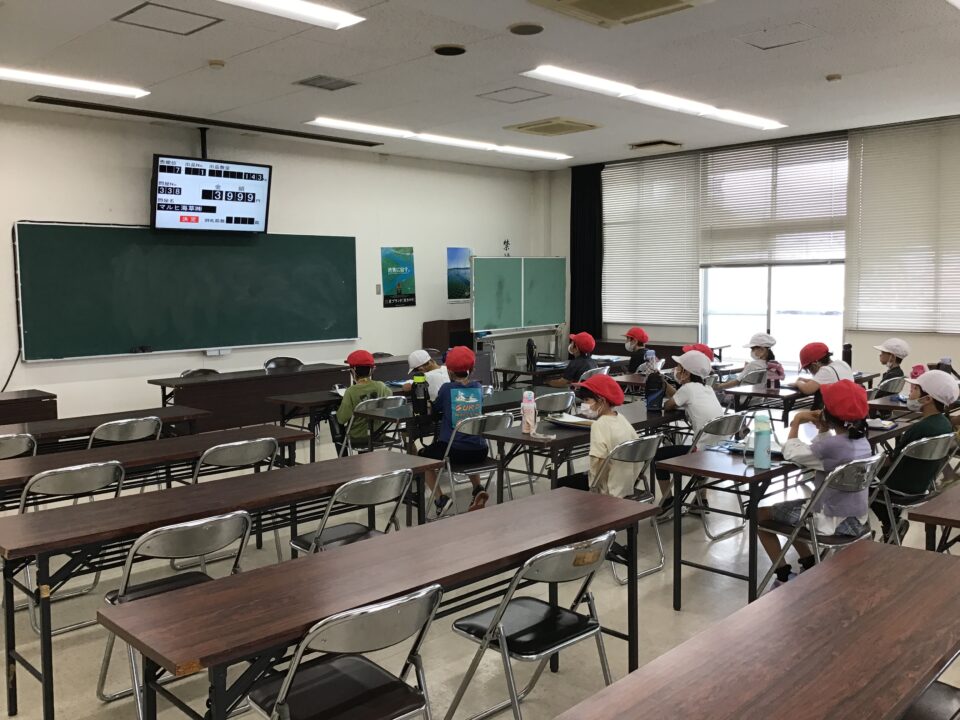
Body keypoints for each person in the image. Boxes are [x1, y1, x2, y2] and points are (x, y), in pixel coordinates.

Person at [758, 380, 872, 587]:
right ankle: (808, 562)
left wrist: (797, 421)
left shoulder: (832, 447)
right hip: (856, 518)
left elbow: (791, 452)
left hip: (830, 520)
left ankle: (782, 575)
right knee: (793, 509)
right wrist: (823, 429)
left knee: (760, 515)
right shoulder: (862, 441)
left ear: (828, 413)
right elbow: (823, 452)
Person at [871, 369, 958, 542]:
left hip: (898, 486)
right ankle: (893, 523)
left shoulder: (920, 428)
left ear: (927, 399)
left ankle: (887, 525)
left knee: (862, 485)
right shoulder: (945, 425)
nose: (910, 393)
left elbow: (892, 460)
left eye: (915, 389)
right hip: (923, 484)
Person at [575, 373, 640, 562]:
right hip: (626, 484)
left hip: (608, 490)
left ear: (601, 401)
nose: (584, 405)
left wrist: (593, 488)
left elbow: (597, 464)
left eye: (587, 400)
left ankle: (584, 543)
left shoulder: (599, 425)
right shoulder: (622, 419)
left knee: (563, 485)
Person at [653, 350, 725, 517]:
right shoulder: (707, 389)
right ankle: (700, 501)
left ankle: (668, 501)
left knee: (657, 456)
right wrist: (665, 383)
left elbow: (669, 405)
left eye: (679, 367)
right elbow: (680, 396)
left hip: (701, 455)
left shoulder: (687, 389)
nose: (676, 370)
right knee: (703, 445)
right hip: (719, 450)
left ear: (686, 372)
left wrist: (664, 389)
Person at [418, 346, 489, 516]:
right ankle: (477, 488)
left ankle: (441, 498)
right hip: (480, 450)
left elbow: (435, 409)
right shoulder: (478, 387)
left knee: (421, 458)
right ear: (472, 368)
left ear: (449, 371)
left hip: (455, 452)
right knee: (469, 439)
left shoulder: (447, 389)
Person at [335, 350, 393, 450]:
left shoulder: (351, 391)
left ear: (353, 371)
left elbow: (341, 419)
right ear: (372, 370)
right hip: (378, 435)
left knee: (333, 419)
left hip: (357, 438)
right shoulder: (381, 386)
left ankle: (343, 457)